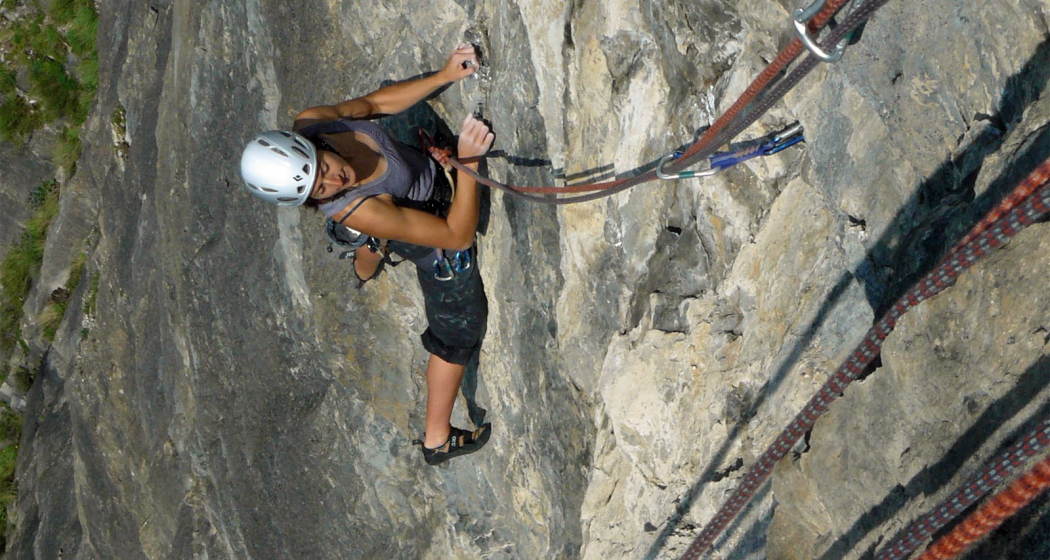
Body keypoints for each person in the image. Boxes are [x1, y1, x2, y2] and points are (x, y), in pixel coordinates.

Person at [239, 44, 494, 466]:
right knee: (458, 329)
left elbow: (375, 103)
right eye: (319, 189)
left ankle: (365, 245)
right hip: (427, 223)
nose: (334, 177)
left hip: (413, 162)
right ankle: (436, 438)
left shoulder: (314, 121)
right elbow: (456, 234)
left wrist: (445, 75)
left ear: (310, 144)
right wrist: (467, 165)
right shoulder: (358, 204)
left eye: (321, 165)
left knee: (396, 100)